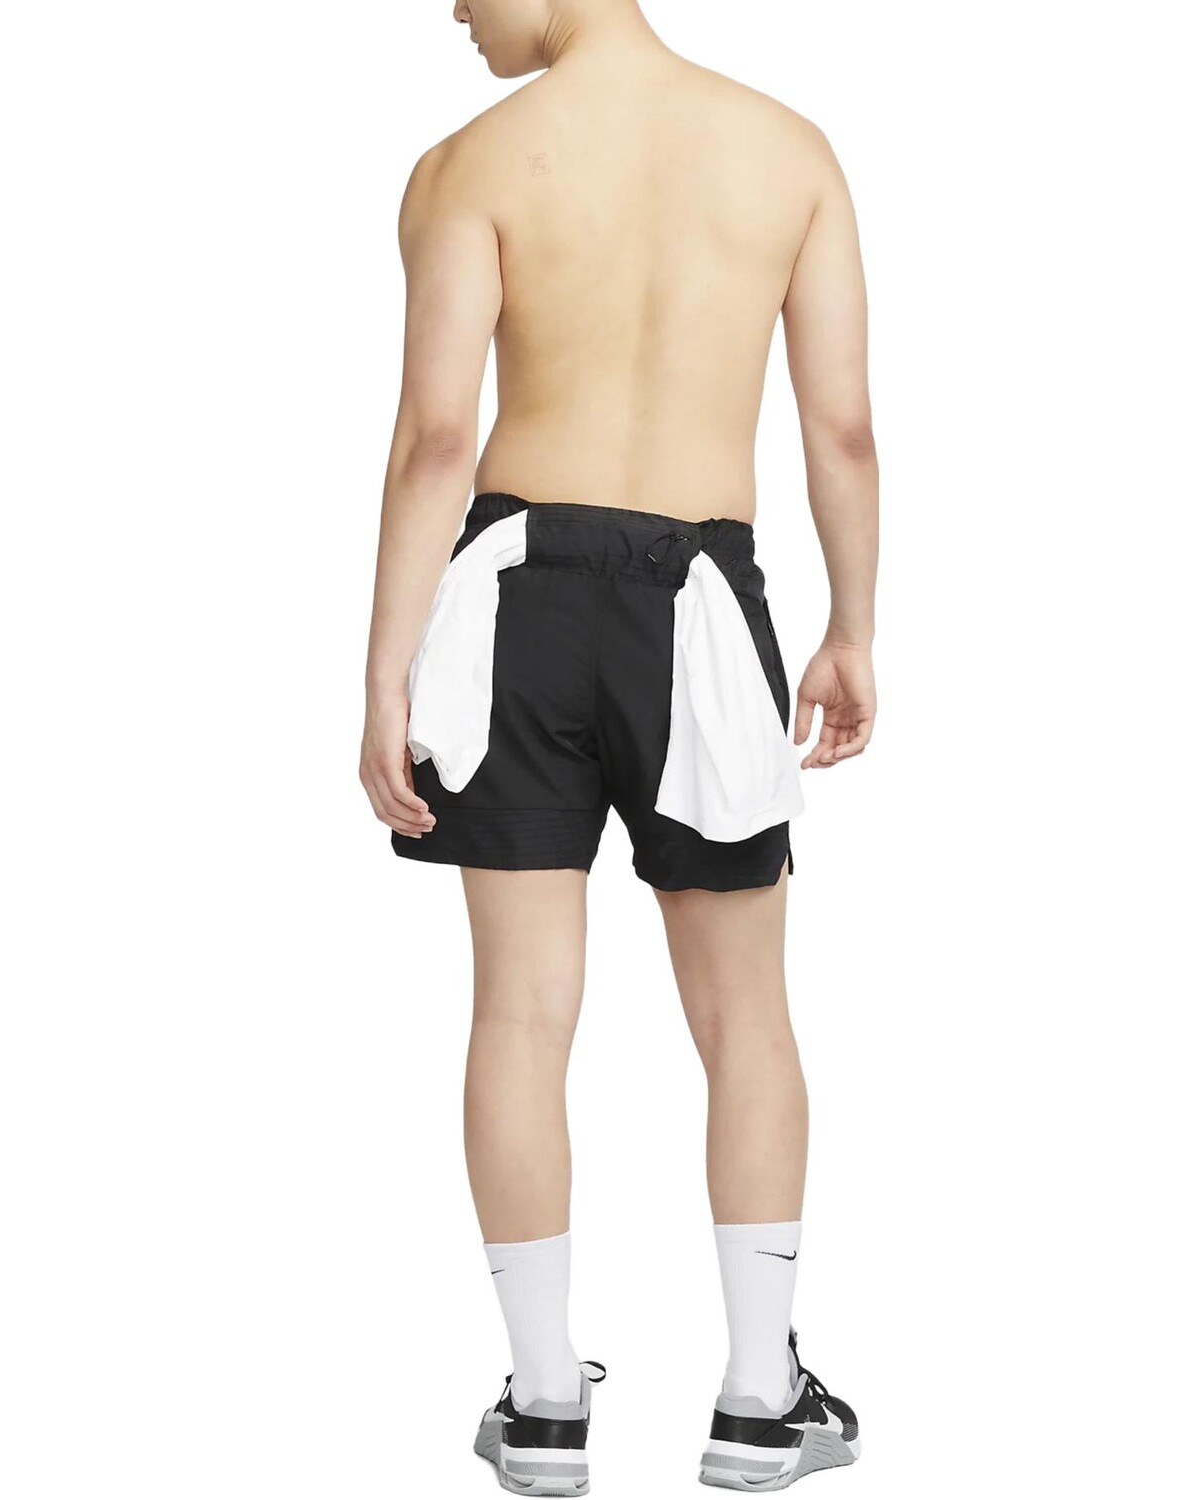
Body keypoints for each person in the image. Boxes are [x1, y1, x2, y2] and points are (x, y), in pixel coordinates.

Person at [359, 1, 877, 1490]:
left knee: (521, 1013)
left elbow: (435, 438)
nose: (455, 9)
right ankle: (762, 1398)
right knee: (747, 1014)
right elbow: (841, 429)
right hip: (701, 601)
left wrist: (387, 676)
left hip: (511, 603)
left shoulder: (468, 164)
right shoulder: (789, 153)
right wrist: (851, 625)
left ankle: (542, 1406)